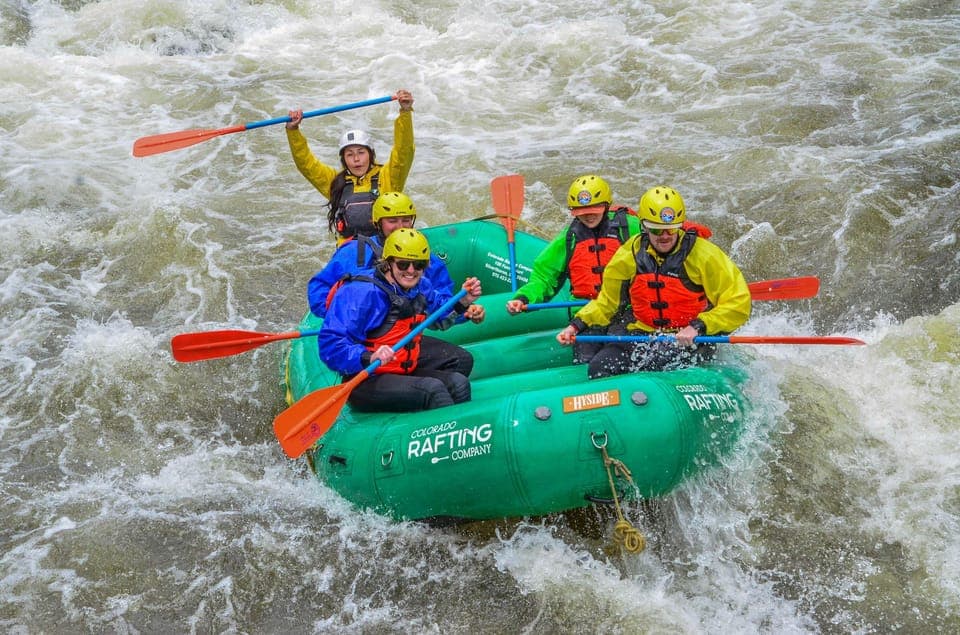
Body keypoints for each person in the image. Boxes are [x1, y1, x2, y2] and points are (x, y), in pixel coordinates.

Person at [556, 186, 751, 379]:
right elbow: (607, 303)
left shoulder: (704, 255)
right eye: (657, 230)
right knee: (599, 367)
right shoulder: (628, 255)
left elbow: (738, 303)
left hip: (691, 337)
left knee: (657, 365)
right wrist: (575, 326)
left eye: (671, 228)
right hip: (642, 333)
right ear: (644, 226)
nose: (665, 236)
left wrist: (699, 326)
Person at [319, 228, 485, 412]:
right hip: (365, 377)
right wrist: (368, 356)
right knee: (433, 390)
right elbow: (330, 345)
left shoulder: (421, 286)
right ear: (388, 262)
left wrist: (463, 302)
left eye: (419, 265)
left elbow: (440, 320)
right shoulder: (361, 293)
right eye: (403, 264)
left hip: (403, 367)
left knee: (459, 383)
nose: (411, 271)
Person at [505, 175, 641, 363]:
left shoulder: (628, 228)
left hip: (627, 312)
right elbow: (544, 277)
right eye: (582, 211)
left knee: (618, 356)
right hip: (584, 316)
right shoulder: (568, 239)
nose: (589, 215)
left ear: (607, 205)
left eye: (595, 209)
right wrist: (523, 298)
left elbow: (661, 242)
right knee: (586, 361)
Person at [286, 89, 415, 240]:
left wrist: (405, 112)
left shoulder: (388, 177)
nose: (356, 159)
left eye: (361, 152)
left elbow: (404, 151)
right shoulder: (335, 182)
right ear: (344, 159)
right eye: (349, 154)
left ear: (370, 155)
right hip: (349, 252)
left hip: (386, 250)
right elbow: (306, 164)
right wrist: (293, 130)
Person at [306, 191, 454, 318]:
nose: (400, 227)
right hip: (363, 330)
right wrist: (345, 318)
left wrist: (463, 308)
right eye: (392, 221)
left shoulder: (423, 256)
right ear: (378, 223)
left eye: (406, 220)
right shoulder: (355, 251)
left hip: (404, 329)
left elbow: (443, 301)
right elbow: (319, 289)